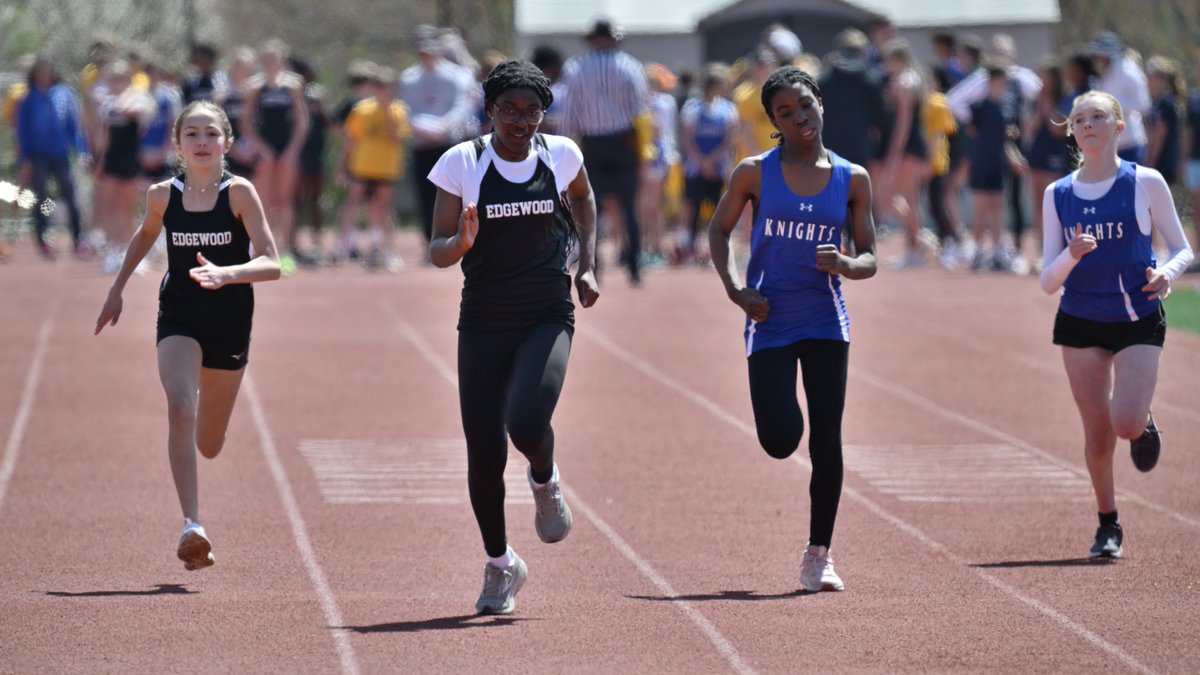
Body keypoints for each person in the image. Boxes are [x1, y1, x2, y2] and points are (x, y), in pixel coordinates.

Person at [426, 60, 599, 615]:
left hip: (547, 311)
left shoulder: (562, 154)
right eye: (509, 111)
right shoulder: (462, 162)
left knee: (525, 421)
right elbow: (435, 250)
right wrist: (461, 241)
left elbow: (586, 200)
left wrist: (587, 265)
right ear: (490, 111)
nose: (521, 122)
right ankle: (501, 566)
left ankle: (545, 480)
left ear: (543, 114)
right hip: (483, 316)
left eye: (531, 112)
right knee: (483, 449)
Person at [707, 66, 877, 592]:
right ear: (773, 122)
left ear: (819, 103)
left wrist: (847, 264)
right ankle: (785, 423)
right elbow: (719, 230)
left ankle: (818, 555)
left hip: (827, 319)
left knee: (828, 440)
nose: (798, 116)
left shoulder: (854, 178)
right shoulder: (754, 172)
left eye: (804, 105)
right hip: (770, 319)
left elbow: (870, 256)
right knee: (782, 440)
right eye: (784, 112)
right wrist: (737, 291)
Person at [94, 101, 281, 570]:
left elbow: (272, 262)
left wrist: (228, 273)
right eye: (192, 134)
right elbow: (144, 234)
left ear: (227, 143)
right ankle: (192, 524)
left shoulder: (239, 194)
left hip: (230, 322)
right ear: (177, 143)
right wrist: (117, 289)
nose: (202, 142)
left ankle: (203, 433)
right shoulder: (162, 195)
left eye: (211, 134)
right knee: (180, 407)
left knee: (209, 442)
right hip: (178, 315)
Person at [1038, 91, 1193, 559]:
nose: (1087, 124)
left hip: (1137, 318)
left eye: (1098, 116)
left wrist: (1166, 274)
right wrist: (1071, 254)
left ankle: (1141, 422)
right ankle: (1108, 524)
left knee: (1123, 421)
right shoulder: (1057, 194)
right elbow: (1047, 280)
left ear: (1119, 127)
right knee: (1098, 434)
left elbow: (1183, 248)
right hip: (1080, 322)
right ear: (1072, 132)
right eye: (1079, 119)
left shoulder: (1145, 182)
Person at [560, 19, 649, 286]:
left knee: (590, 207)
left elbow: (568, 114)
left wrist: (566, 148)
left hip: (592, 144)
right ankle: (634, 269)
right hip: (624, 142)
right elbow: (641, 110)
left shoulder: (576, 68)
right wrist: (645, 151)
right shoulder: (629, 66)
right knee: (629, 209)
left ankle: (592, 268)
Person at [401, 24, 480, 247]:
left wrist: (444, 127)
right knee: (425, 195)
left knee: (455, 193)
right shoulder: (409, 78)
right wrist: (424, 129)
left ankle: (459, 237)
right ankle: (430, 240)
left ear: (438, 47)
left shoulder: (455, 76)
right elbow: (406, 111)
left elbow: (461, 106)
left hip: (448, 143)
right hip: (422, 144)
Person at [242, 39, 309, 273]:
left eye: (274, 58)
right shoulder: (254, 87)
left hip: (286, 149)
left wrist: (292, 150)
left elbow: (302, 121)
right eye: (266, 59)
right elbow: (246, 122)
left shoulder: (293, 85)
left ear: (282, 60)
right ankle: (264, 251)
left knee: (285, 201)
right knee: (265, 201)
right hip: (265, 151)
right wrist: (261, 148)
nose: (270, 63)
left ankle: (286, 251)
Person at [16, 54, 89, 260]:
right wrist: (24, 159)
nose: (45, 74)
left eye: (48, 70)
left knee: (70, 195)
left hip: (61, 154)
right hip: (38, 156)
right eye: (41, 70)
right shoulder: (28, 99)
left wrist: (82, 151)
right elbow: (22, 131)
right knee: (40, 198)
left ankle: (78, 239)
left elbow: (74, 127)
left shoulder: (65, 94)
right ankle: (43, 238)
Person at [338, 66, 410, 272]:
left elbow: (397, 140)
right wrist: (343, 167)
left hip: (386, 168)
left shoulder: (398, 110)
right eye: (379, 87)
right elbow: (350, 140)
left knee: (383, 208)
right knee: (352, 203)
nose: (382, 91)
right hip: (362, 165)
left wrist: (386, 112)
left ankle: (384, 249)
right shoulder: (361, 110)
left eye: (386, 87)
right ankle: (346, 246)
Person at [678, 63, 738, 264]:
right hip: (696, 168)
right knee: (693, 208)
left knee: (717, 211)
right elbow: (687, 139)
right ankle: (690, 250)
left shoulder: (728, 109)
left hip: (718, 167)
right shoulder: (692, 108)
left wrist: (713, 161)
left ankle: (715, 251)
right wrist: (702, 162)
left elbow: (730, 139)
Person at [1090, 32, 1151, 164]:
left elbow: (1144, 105)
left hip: (1129, 143)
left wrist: (1111, 105)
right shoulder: (1103, 74)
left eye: (1101, 55)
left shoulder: (1129, 73)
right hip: (1107, 145)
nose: (1097, 59)